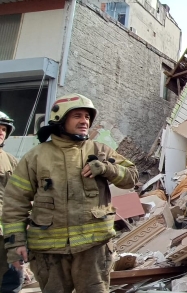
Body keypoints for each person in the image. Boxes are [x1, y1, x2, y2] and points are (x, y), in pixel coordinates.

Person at [2, 93, 138, 293]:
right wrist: (16, 244)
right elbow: (15, 201)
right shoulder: (36, 157)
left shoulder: (100, 151)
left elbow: (132, 178)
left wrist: (107, 169)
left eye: (87, 117)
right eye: (78, 116)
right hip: (50, 252)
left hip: (93, 249)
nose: (85, 121)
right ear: (61, 119)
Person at [0, 112, 22, 293]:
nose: (1, 132)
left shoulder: (10, 161)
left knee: (11, 279)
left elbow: (21, 195)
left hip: (7, 234)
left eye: (3, 129)